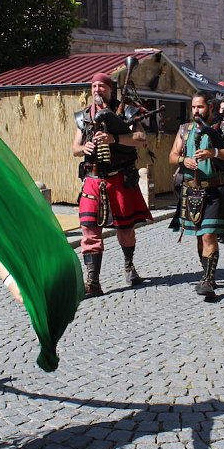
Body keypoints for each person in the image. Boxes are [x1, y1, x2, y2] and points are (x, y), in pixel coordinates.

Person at [72, 73, 152, 298]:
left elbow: (141, 139)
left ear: (110, 89)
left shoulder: (127, 111)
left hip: (119, 178)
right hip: (92, 179)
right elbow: (74, 148)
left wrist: (114, 139)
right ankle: (93, 282)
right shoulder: (84, 117)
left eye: (102, 86)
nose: (97, 89)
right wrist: (84, 148)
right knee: (89, 231)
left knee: (125, 230)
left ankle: (129, 265)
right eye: (94, 85)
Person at [169, 91, 224, 298]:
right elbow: (172, 156)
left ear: (210, 107)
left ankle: (209, 280)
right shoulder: (185, 129)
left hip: (215, 189)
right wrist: (184, 161)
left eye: (199, 107)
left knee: (209, 234)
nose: (196, 111)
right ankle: (205, 273)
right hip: (191, 190)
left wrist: (214, 153)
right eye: (193, 107)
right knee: (200, 237)